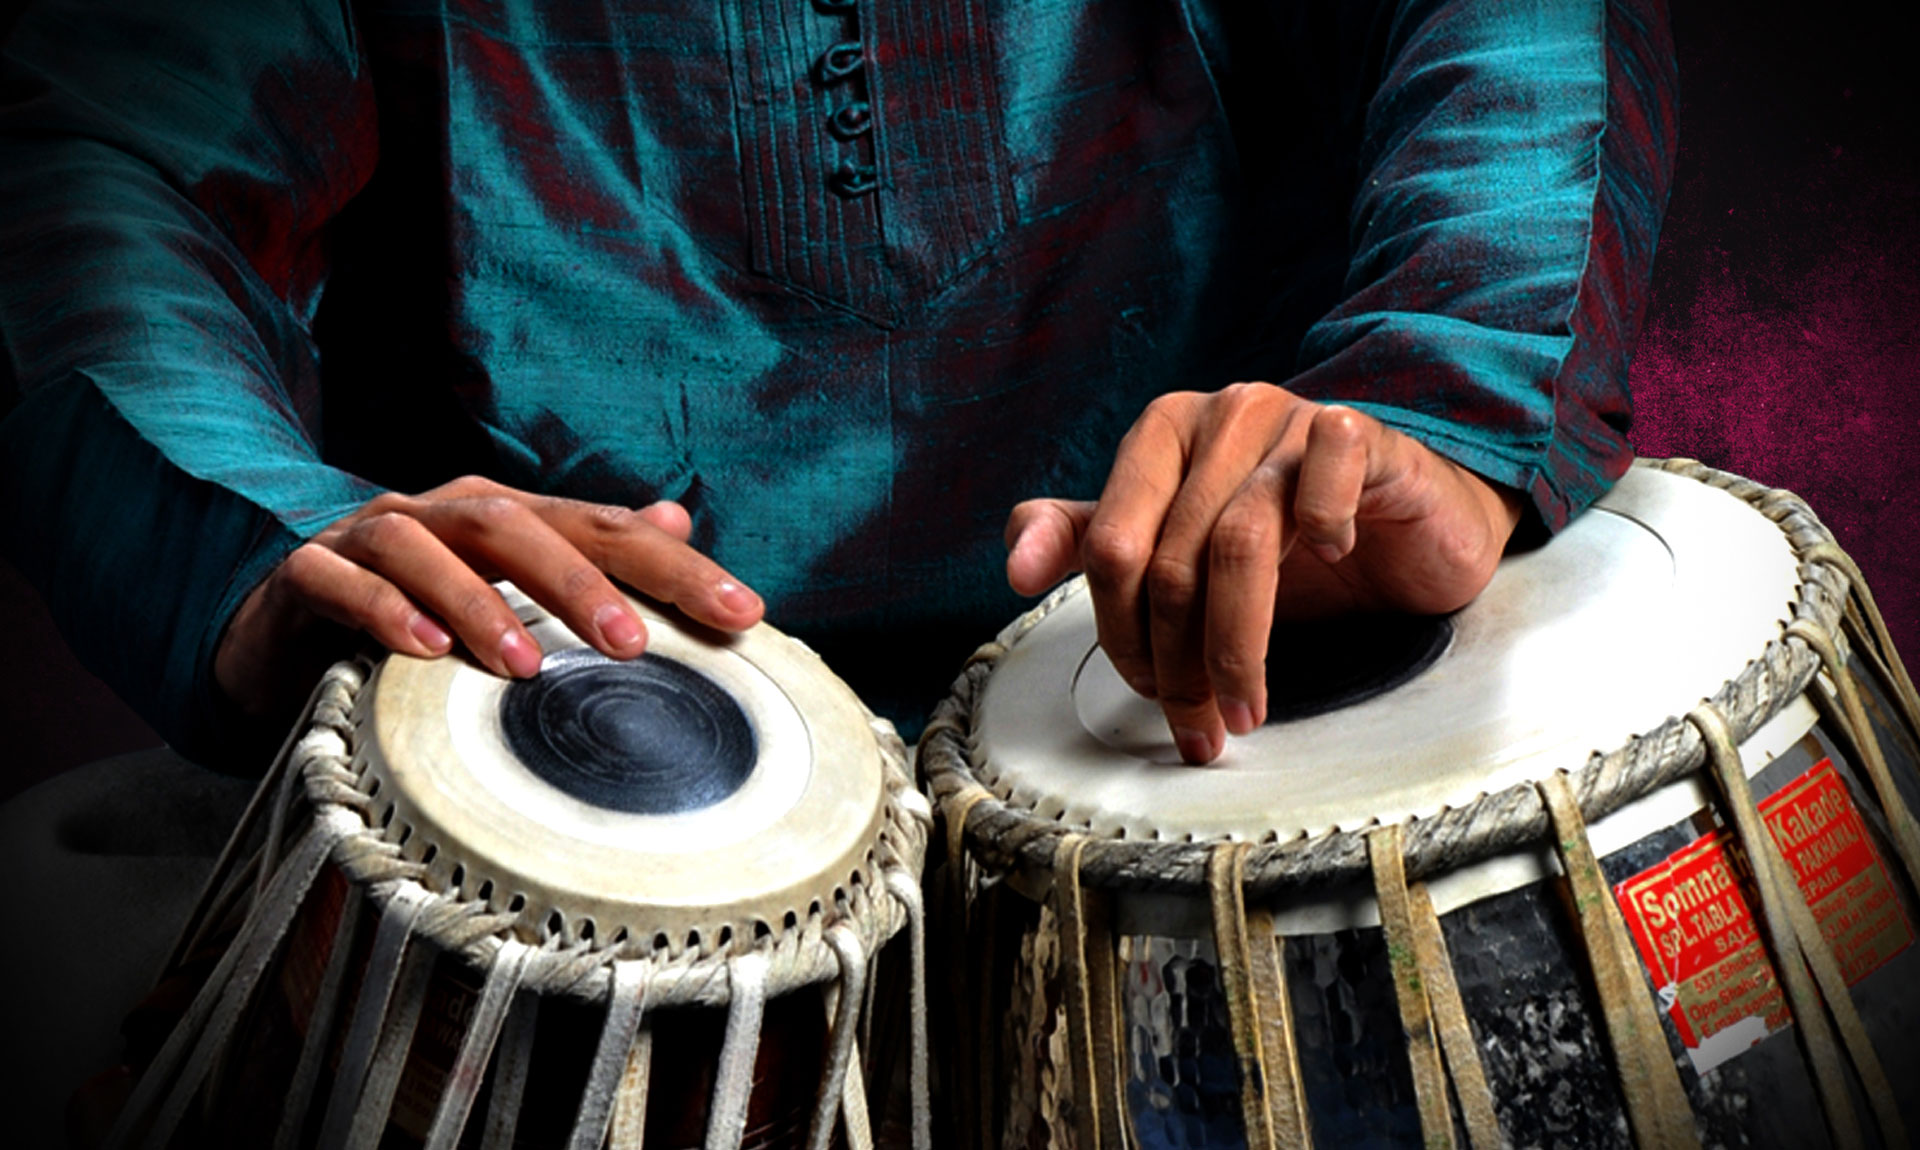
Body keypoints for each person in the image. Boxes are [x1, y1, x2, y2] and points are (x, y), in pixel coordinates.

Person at [0, 0, 1675, 772]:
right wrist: (270, 532)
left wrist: (1433, 396)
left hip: (1224, 700)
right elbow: (103, 172)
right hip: (572, 743)